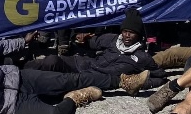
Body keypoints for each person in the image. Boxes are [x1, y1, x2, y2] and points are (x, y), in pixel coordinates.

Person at [24, 7, 167, 95]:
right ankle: (17, 71)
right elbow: (90, 43)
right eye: (125, 31)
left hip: (96, 78)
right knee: (52, 61)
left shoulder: (142, 57)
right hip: (83, 64)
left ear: (139, 36)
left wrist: (139, 82)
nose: (127, 35)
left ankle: (25, 84)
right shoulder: (112, 39)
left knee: (53, 81)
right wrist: (81, 38)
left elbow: (161, 77)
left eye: (132, 32)